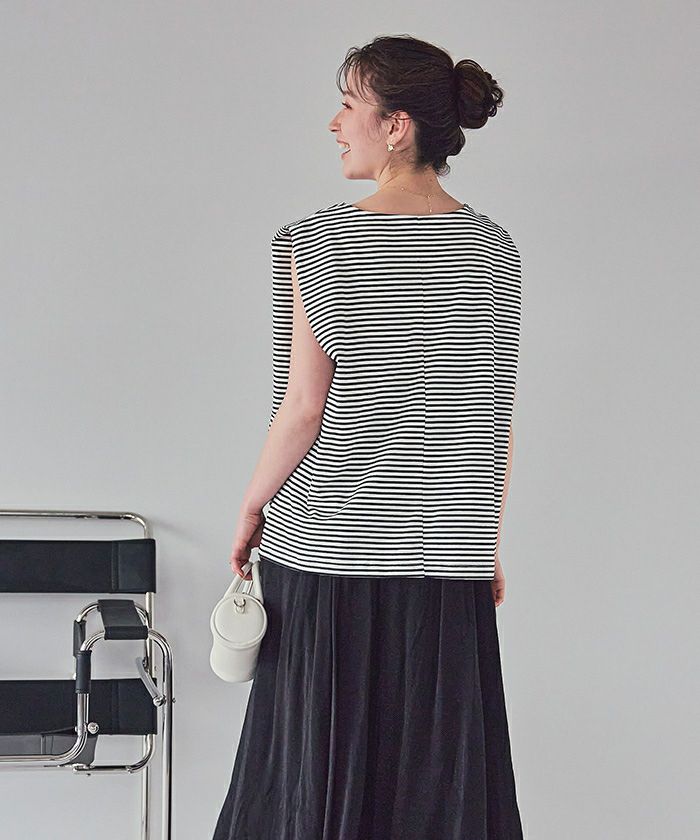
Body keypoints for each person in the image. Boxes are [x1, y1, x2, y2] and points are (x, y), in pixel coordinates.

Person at [213, 34, 524, 840]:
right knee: (436, 784)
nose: (334, 123)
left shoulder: (319, 241)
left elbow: (303, 408)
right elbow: (491, 413)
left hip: (327, 550)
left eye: (348, 104)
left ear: (395, 126)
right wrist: (483, 540)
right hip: (446, 555)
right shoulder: (495, 249)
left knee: (313, 780)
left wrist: (251, 507)